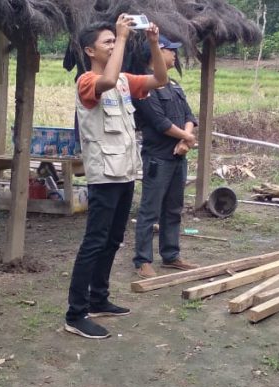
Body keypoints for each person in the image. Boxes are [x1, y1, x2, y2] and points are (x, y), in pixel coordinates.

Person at [65, 16, 169, 339]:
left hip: (125, 172)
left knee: (112, 240)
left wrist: (153, 42)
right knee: (94, 242)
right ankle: (75, 313)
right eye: (107, 42)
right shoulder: (87, 81)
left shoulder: (124, 80)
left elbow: (160, 80)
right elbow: (105, 83)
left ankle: (99, 298)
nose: (113, 44)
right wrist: (123, 37)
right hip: (103, 175)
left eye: (115, 40)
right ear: (89, 50)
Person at [130, 35, 199, 279]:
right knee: (150, 210)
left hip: (179, 156)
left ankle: (170, 255)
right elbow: (159, 122)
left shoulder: (175, 86)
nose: (175, 55)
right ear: (157, 52)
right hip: (158, 158)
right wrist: (186, 138)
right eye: (171, 51)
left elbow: (190, 115)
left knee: (173, 208)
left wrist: (185, 139)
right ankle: (142, 260)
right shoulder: (143, 87)